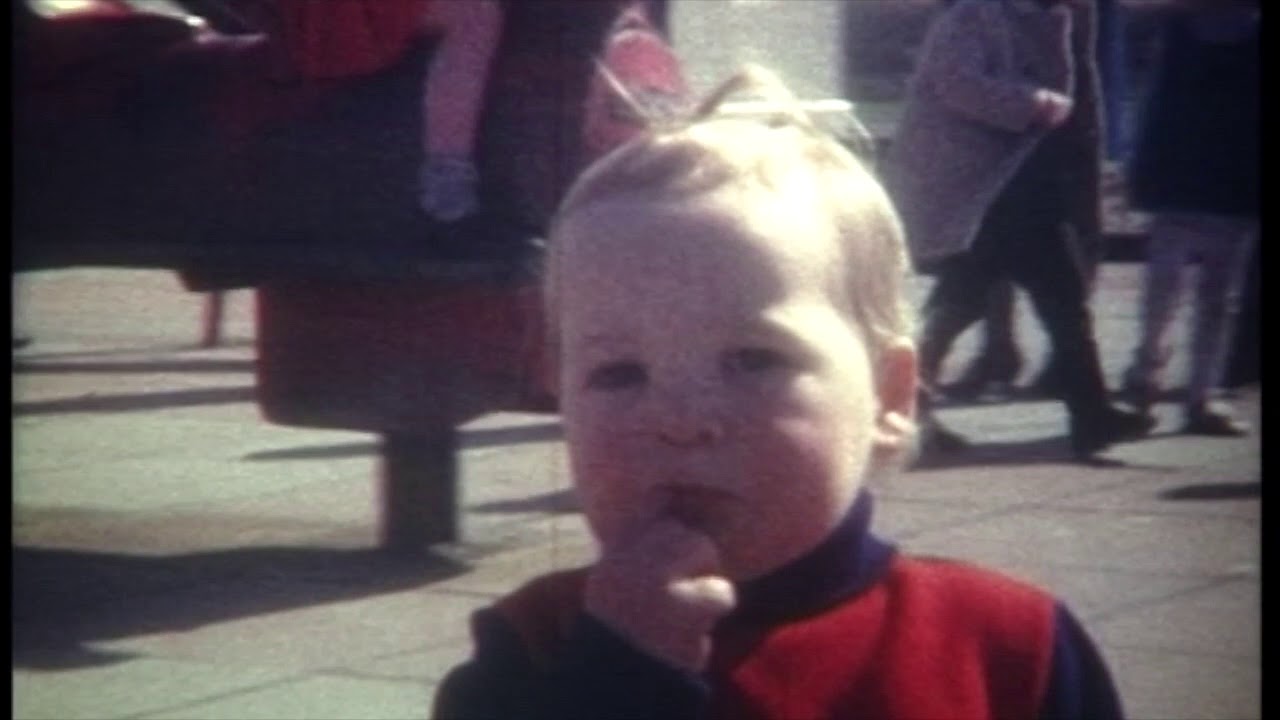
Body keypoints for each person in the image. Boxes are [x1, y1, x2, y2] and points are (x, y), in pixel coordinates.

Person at [431, 66, 1125, 719]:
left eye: (751, 360)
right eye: (619, 373)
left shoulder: (1006, 645)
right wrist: (614, 679)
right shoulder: (530, 653)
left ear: (888, 397)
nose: (680, 420)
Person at [880, 0, 1153, 460]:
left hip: (1020, 182)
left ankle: (1091, 414)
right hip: (987, 187)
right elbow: (955, 84)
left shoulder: (1047, 17)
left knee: (1018, 300)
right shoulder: (973, 16)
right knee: (998, 300)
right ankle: (1090, 414)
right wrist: (1032, 103)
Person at [1118, 0, 1258, 435]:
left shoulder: (1181, 31)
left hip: (1220, 180)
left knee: (1203, 295)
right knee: (1179, 294)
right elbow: (1157, 107)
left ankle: (1188, 391)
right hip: (1196, 178)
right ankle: (1161, 386)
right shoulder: (1179, 30)